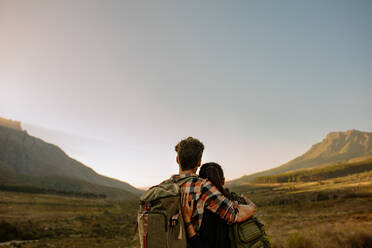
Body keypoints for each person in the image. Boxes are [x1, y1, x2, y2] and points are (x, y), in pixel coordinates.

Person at [173, 137, 256, 248]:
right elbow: (234, 215)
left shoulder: (165, 187)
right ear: (199, 162)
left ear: (177, 159)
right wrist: (252, 207)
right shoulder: (202, 186)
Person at [181, 162, 257, 248]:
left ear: (202, 182)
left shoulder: (205, 211)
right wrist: (251, 205)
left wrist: (187, 221)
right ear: (223, 180)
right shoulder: (232, 203)